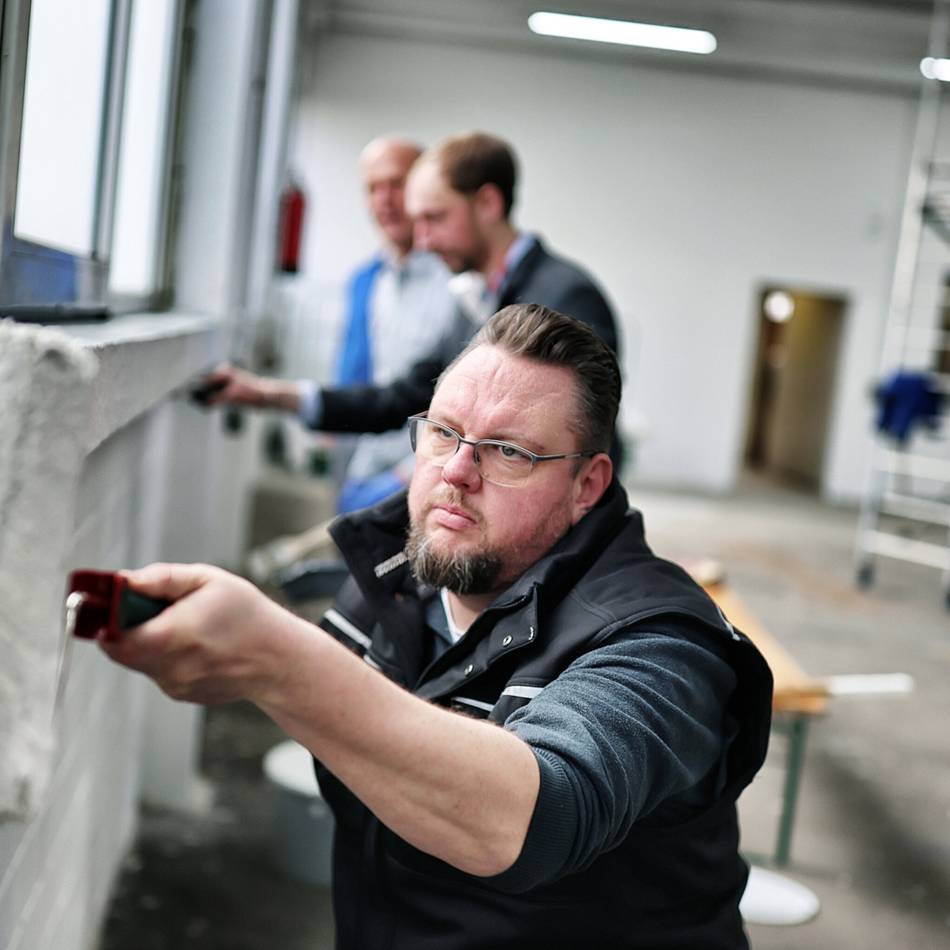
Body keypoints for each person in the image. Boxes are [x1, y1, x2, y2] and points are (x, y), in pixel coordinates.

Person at [104, 305, 772, 949]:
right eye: (444, 432)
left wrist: (276, 660)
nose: (455, 473)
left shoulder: (661, 644)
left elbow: (530, 818)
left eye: (508, 452)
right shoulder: (397, 573)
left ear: (587, 486)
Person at [202, 131, 622, 460]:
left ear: (488, 204)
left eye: (434, 219)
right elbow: (401, 397)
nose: (421, 240)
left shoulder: (567, 297)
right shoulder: (475, 302)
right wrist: (266, 394)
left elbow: (571, 447)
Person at [313, 136, 458, 511]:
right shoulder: (365, 281)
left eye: (397, 184)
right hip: (358, 462)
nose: (385, 199)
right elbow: (353, 366)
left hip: (423, 475)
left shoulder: (459, 285)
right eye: (373, 188)